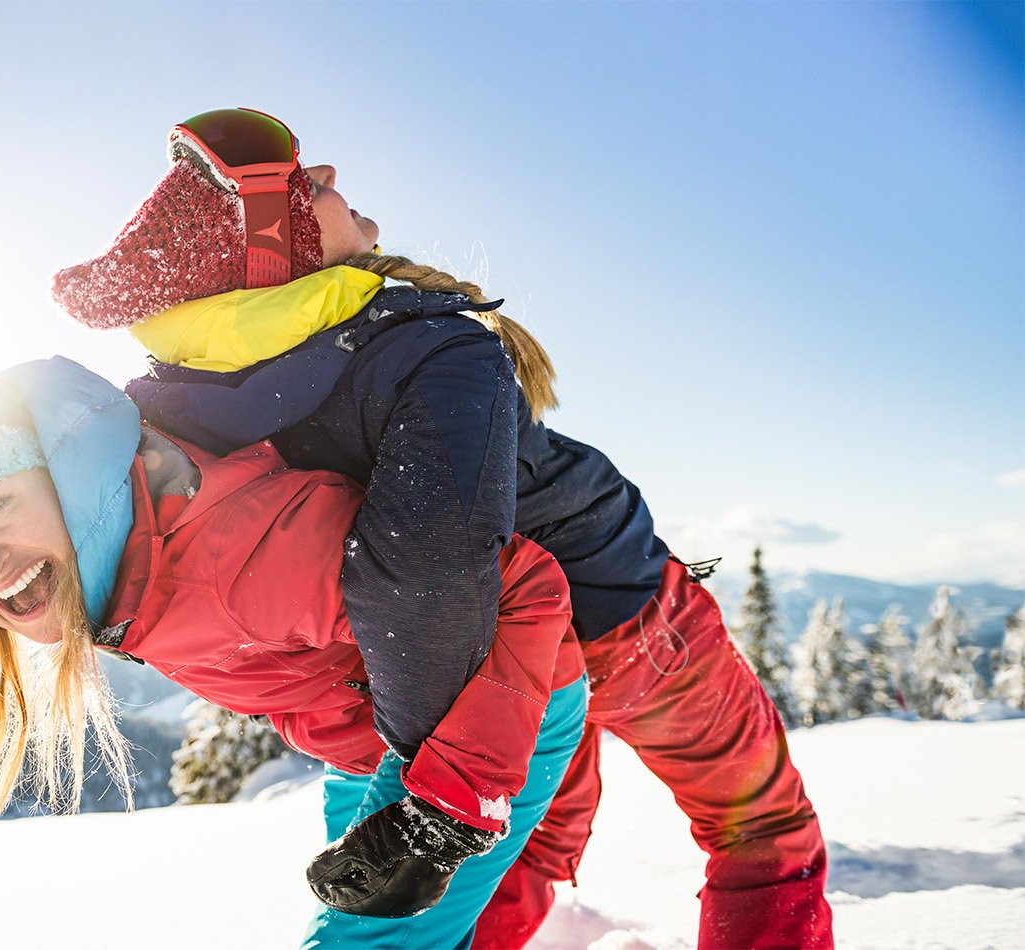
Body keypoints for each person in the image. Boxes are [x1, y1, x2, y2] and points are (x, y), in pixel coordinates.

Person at [50, 107, 833, 949]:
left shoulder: (178, 406)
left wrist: (416, 763)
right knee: (758, 830)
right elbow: (427, 571)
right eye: (306, 184)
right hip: (624, 614)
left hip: (486, 682)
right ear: (275, 247)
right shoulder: (420, 347)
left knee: (518, 857)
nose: (330, 176)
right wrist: (440, 793)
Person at [0, 352, 588, 944]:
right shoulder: (120, 550)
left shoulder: (237, 558)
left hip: (483, 718)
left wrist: (450, 806)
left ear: (66, 476)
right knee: (403, 908)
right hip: (371, 735)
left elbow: (522, 585)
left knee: (375, 936)